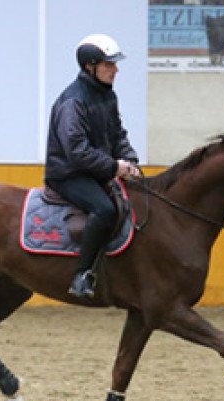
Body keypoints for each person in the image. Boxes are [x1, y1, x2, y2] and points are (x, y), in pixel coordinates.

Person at [44, 34, 140, 299]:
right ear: (90, 66)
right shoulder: (73, 102)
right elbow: (76, 152)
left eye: (114, 64)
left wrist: (130, 160)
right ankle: (82, 275)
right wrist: (113, 167)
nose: (116, 70)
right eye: (109, 65)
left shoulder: (107, 96)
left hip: (96, 170)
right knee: (104, 209)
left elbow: (118, 134)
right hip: (69, 175)